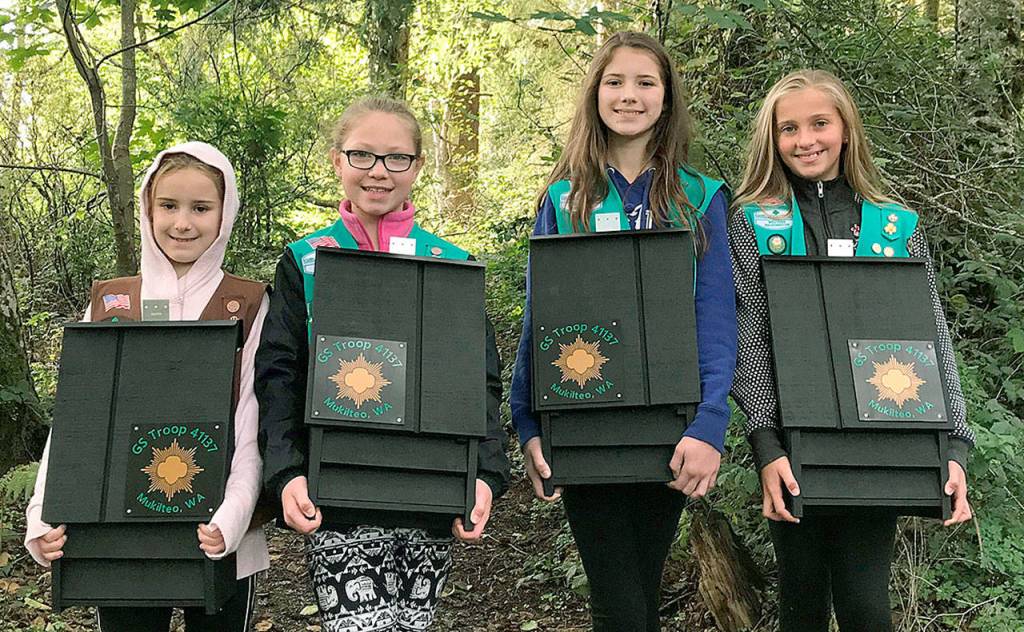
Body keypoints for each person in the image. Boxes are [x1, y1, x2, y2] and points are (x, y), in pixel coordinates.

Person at [729, 68, 974, 631]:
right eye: (788, 128)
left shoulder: (893, 225)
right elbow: (752, 336)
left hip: (878, 446)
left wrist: (954, 443)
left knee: (866, 607)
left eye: (820, 123)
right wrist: (767, 445)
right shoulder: (754, 223)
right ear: (773, 139)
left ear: (845, 129)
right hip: (795, 447)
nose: (805, 139)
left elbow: (930, 334)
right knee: (803, 604)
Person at [509, 31, 737, 632]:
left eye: (645, 82)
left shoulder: (699, 198)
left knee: (639, 591)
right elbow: (539, 318)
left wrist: (709, 425)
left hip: (670, 427)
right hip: (584, 423)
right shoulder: (566, 200)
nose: (629, 95)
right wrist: (528, 423)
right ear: (594, 94)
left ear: (666, 98)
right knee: (617, 598)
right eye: (615, 81)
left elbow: (714, 318)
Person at [255, 95, 510, 632]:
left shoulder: (451, 264)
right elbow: (278, 375)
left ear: (418, 166)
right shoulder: (305, 261)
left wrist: (484, 475)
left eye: (397, 158)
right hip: (337, 493)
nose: (378, 172)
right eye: (362, 155)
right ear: (336, 160)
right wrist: (286, 473)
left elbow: (479, 380)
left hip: (430, 493)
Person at [24, 142, 269, 631]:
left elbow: (251, 416)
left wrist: (234, 514)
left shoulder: (246, 302)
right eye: (169, 206)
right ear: (147, 207)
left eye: (201, 208)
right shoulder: (114, 302)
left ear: (225, 212)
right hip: (120, 534)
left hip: (218, 528)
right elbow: (79, 416)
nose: (183, 223)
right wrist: (43, 513)